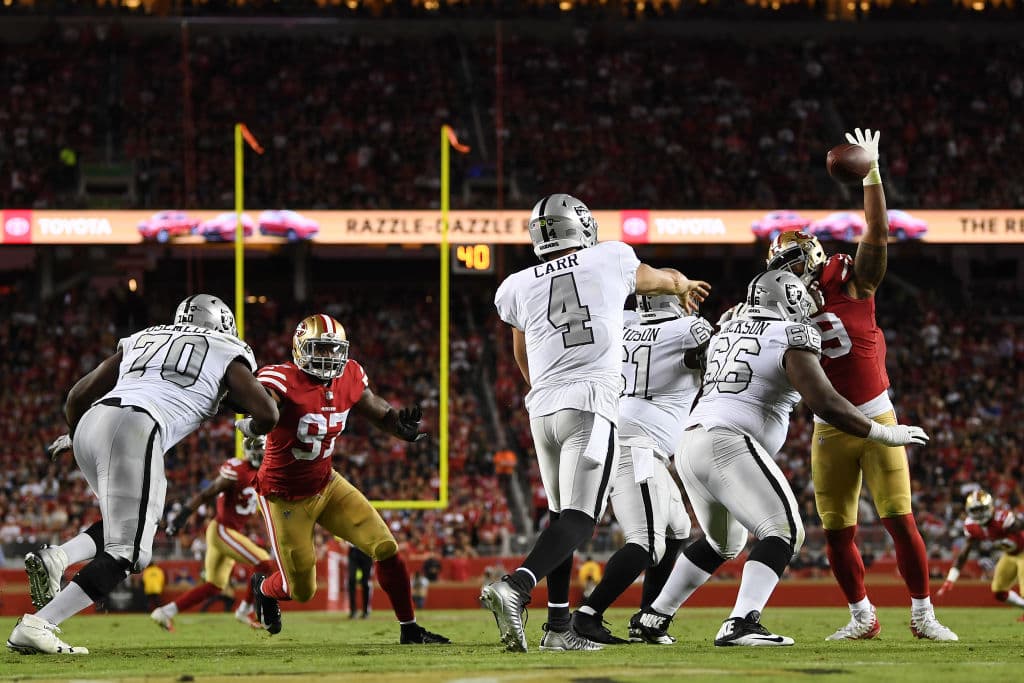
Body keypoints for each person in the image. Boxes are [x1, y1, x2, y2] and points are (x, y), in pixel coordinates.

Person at [632, 270, 930, 647]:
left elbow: (700, 358)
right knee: (786, 530)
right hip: (728, 440)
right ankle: (741, 622)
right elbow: (826, 402)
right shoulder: (790, 334)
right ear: (788, 299)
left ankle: (654, 616)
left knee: (723, 542)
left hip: (691, 442)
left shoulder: (728, 329)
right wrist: (885, 432)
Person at [481, 193, 711, 653]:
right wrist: (681, 283)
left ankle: (558, 628)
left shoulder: (515, 285)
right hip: (589, 401)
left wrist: (543, 390)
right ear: (582, 227)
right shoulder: (610, 257)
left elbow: (520, 351)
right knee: (582, 519)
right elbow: (659, 281)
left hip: (542, 406)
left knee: (560, 517)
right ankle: (518, 585)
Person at [766, 128, 957, 642]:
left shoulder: (848, 279)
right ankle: (861, 616)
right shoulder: (776, 304)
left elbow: (876, 232)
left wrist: (871, 173)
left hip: (876, 413)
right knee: (836, 529)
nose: (789, 274)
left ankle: (922, 614)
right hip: (829, 426)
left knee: (900, 519)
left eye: (793, 263)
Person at [7, 294, 278, 655]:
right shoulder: (225, 346)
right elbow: (268, 413)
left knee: (134, 526)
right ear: (222, 324)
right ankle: (39, 624)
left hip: (90, 425)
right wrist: (250, 426)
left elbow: (76, 396)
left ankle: (59, 557)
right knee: (130, 552)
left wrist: (79, 434)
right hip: (137, 425)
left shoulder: (144, 337)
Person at [244, 313, 450, 645]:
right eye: (320, 349)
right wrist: (261, 412)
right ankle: (264, 589)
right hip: (284, 496)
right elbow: (267, 402)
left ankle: (410, 629)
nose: (327, 358)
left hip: (326, 484)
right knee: (301, 590)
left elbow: (375, 408)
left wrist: (401, 426)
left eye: (332, 350)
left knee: (386, 547)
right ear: (300, 349)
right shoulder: (280, 378)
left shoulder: (350, 375)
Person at [572, 294, 713, 645]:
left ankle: (647, 618)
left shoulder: (625, 322)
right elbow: (715, 352)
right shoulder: (688, 329)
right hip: (637, 447)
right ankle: (588, 615)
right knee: (647, 542)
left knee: (678, 530)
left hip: (633, 439)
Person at [150, 435, 275, 632]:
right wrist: (182, 517)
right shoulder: (237, 470)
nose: (262, 453)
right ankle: (245, 610)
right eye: (258, 449)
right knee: (264, 562)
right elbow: (206, 494)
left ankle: (165, 612)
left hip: (226, 532)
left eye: (263, 448)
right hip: (223, 530)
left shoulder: (265, 471)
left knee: (215, 585)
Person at [937, 490, 1024, 620]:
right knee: (999, 592)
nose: (978, 514)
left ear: (990, 507)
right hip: (1010, 555)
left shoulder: (1003, 518)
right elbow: (963, 555)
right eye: (975, 510)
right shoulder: (971, 526)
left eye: (981, 509)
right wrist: (951, 579)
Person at [348, 545, 374, 619]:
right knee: (351, 580)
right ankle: (353, 611)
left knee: (365, 583)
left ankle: (365, 611)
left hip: (367, 552)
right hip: (354, 551)